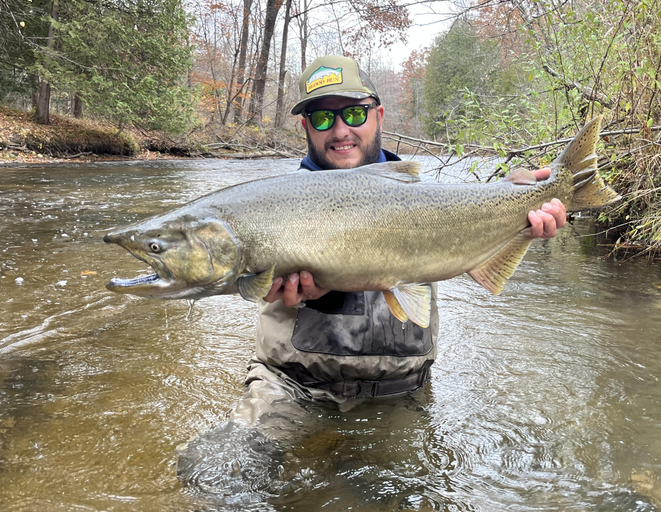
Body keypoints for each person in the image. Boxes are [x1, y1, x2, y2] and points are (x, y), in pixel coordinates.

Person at [221, 55, 567, 446]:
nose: (339, 130)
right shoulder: (270, 205)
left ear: (379, 115)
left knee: (413, 505)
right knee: (221, 474)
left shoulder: (423, 202)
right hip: (292, 390)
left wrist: (522, 205)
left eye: (354, 113)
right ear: (305, 127)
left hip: (401, 396)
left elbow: (484, 252)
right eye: (321, 118)